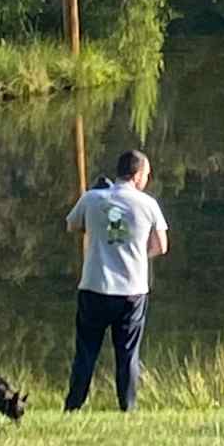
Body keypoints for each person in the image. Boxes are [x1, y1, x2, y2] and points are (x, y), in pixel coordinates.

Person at [64, 148, 169, 413]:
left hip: (94, 287)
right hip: (131, 291)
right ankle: (127, 408)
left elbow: (72, 225)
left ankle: (73, 406)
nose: (147, 179)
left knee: (86, 352)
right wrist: (136, 254)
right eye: (146, 174)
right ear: (136, 176)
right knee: (127, 354)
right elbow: (161, 246)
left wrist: (95, 207)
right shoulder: (148, 204)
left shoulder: (92, 198)